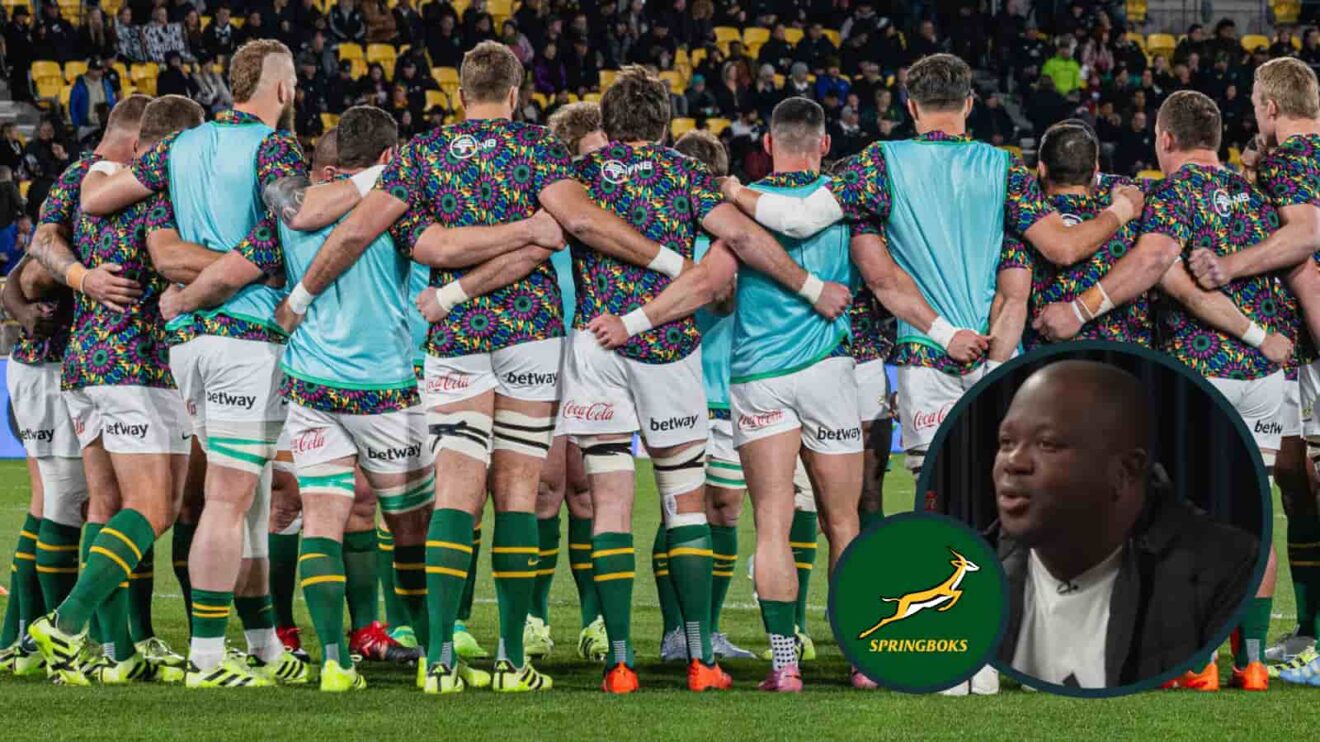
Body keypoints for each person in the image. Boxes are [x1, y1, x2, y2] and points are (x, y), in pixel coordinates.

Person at [272, 41, 676, 695]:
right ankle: (514, 661)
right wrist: (663, 262)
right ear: (515, 93)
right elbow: (576, 222)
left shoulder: (421, 155)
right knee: (518, 493)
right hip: (530, 334)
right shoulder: (539, 151)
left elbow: (354, 234)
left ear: (459, 94)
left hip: (454, 338)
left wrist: (299, 297)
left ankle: (438, 660)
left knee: (456, 496)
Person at [75, 38, 370, 689]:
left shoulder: (181, 147)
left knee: (254, 495)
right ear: (282, 87)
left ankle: (264, 644)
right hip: (246, 341)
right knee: (229, 499)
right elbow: (299, 214)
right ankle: (208, 656)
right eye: (292, 80)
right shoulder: (270, 147)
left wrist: (190, 269)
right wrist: (377, 180)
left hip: (188, 346)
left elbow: (97, 201)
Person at [550, 68, 846, 695]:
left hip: (596, 345)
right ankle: (700, 661)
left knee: (609, 507)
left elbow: (567, 231)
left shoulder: (578, 176)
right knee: (683, 502)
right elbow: (739, 237)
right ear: (665, 122)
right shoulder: (684, 175)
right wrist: (811, 286)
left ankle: (620, 662)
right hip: (669, 350)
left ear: (606, 123)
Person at [1032, 91, 1297, 692]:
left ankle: (1197, 663)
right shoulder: (1254, 196)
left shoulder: (1174, 194)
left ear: (1165, 139)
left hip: (1204, 371)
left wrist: (1079, 307)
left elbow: (1155, 263)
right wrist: (1262, 336)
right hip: (1264, 375)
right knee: (1252, 518)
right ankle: (1251, 662)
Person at [27, 95, 212, 686]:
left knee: (104, 508)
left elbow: (42, 247)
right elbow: (168, 258)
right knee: (155, 507)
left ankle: (117, 652)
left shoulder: (87, 190)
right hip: (136, 363)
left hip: (84, 362)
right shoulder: (159, 194)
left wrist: (79, 276)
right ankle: (67, 624)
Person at [994, 360, 1259, 688]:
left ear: (1125, 470)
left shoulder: (1217, 565)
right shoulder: (978, 571)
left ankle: (1219, 665)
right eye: (1006, 443)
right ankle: (1240, 665)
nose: (1013, 462)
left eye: (1048, 444)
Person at [1186, 58, 1320, 681]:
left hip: (1310, 352)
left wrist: (1230, 267)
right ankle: (1305, 633)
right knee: (1294, 485)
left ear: (1268, 106)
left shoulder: (1294, 157)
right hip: (1294, 366)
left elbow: (1303, 239)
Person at [666, 128, 756, 664]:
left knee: (722, 512)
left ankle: (709, 629)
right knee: (684, 512)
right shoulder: (667, 237)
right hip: (676, 387)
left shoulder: (734, 237)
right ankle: (676, 632)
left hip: (725, 392)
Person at [531, 101, 610, 663]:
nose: (603, 169)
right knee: (544, 489)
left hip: (591, 355)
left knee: (586, 490)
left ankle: (594, 621)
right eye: (592, 158)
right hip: (540, 350)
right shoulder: (554, 210)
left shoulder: (610, 216)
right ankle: (534, 616)